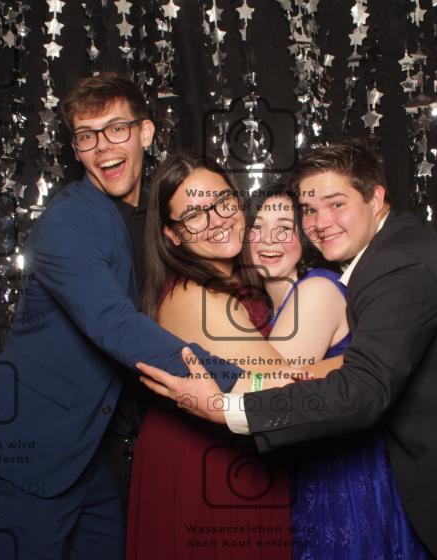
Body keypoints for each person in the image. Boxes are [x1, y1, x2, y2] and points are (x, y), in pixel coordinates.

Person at [136, 139, 437, 560]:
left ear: (376, 198)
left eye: (336, 204)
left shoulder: (394, 264)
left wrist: (223, 407)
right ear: (171, 233)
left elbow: (360, 391)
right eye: (310, 210)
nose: (321, 221)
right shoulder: (388, 254)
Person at [0, 73, 245, 560]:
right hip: (24, 443)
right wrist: (242, 384)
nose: (103, 147)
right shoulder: (70, 221)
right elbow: (113, 323)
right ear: (76, 149)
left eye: (116, 129)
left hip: (87, 450)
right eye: (87, 136)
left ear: (145, 133)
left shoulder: (146, 218)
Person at [126, 155, 340, 559]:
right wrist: (358, 361)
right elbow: (282, 388)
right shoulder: (197, 296)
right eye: (194, 215)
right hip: (204, 464)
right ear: (172, 234)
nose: (217, 220)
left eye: (223, 202)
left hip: (238, 454)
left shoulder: (238, 280)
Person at [245, 183, 432, 559]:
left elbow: (263, 395)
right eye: (258, 227)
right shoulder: (269, 307)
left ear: (304, 237)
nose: (269, 240)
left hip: (342, 478)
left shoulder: (315, 291)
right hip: (312, 471)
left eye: (284, 227)